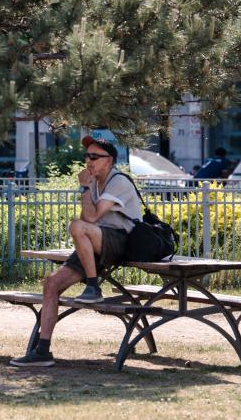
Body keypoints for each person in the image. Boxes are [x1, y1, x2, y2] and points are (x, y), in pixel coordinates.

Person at [10, 135, 143, 367]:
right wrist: (87, 189)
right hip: (99, 242)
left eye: (94, 156)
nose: (88, 161)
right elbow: (87, 221)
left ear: (109, 161)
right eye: (87, 156)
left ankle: (93, 285)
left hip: (123, 242)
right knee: (51, 284)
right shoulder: (95, 184)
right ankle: (42, 351)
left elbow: (88, 219)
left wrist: (83, 187)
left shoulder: (118, 181)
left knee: (76, 226)